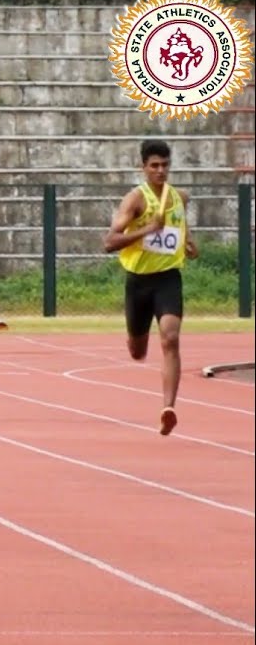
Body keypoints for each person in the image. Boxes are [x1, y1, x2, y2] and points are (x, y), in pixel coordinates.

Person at [102, 139, 198, 436]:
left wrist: (189, 244)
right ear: (143, 167)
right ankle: (134, 340)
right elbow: (109, 242)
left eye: (165, 165)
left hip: (168, 278)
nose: (160, 171)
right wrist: (146, 229)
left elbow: (180, 233)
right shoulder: (135, 200)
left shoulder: (180, 197)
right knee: (137, 350)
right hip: (138, 283)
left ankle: (168, 407)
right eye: (154, 166)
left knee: (170, 338)